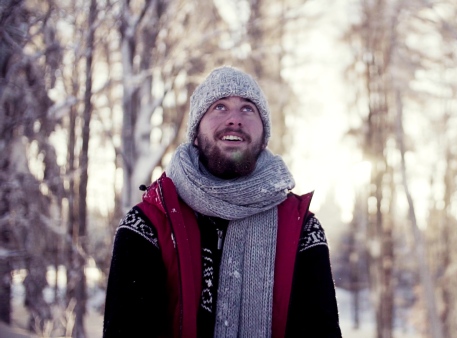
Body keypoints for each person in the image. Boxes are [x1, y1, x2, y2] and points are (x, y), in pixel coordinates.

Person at [102, 66, 342, 338]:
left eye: (248, 109)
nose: (235, 120)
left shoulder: (301, 230)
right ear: (195, 131)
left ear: (264, 136)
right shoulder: (148, 225)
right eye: (219, 107)